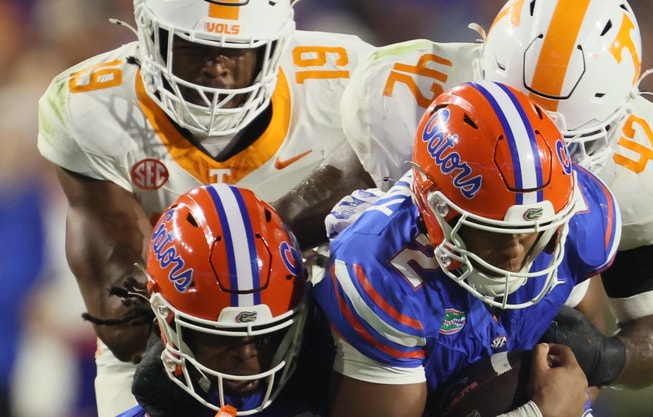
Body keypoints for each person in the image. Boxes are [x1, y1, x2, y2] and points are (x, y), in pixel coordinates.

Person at [338, 0, 653, 390]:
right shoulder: (404, 100)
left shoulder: (646, 177)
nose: (534, 165)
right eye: (510, 129)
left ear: (623, 114)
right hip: (400, 318)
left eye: (566, 146)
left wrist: (604, 358)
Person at [36, 0, 375, 414]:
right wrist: (250, 252)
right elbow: (124, 327)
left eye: (236, 51)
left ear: (275, 43)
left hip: (321, 317)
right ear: (148, 34)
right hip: (167, 347)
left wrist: (244, 245)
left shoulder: (353, 77)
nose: (216, 68)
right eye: (192, 46)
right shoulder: (92, 104)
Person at [313, 80, 621, 417]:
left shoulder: (580, 222)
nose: (515, 252)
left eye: (532, 231)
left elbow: (584, 372)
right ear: (435, 210)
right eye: (492, 231)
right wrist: (535, 414)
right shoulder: (382, 274)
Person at [116, 183, 319, 417]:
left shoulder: (334, 391)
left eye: (265, 338)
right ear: (165, 319)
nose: (246, 355)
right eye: (222, 337)